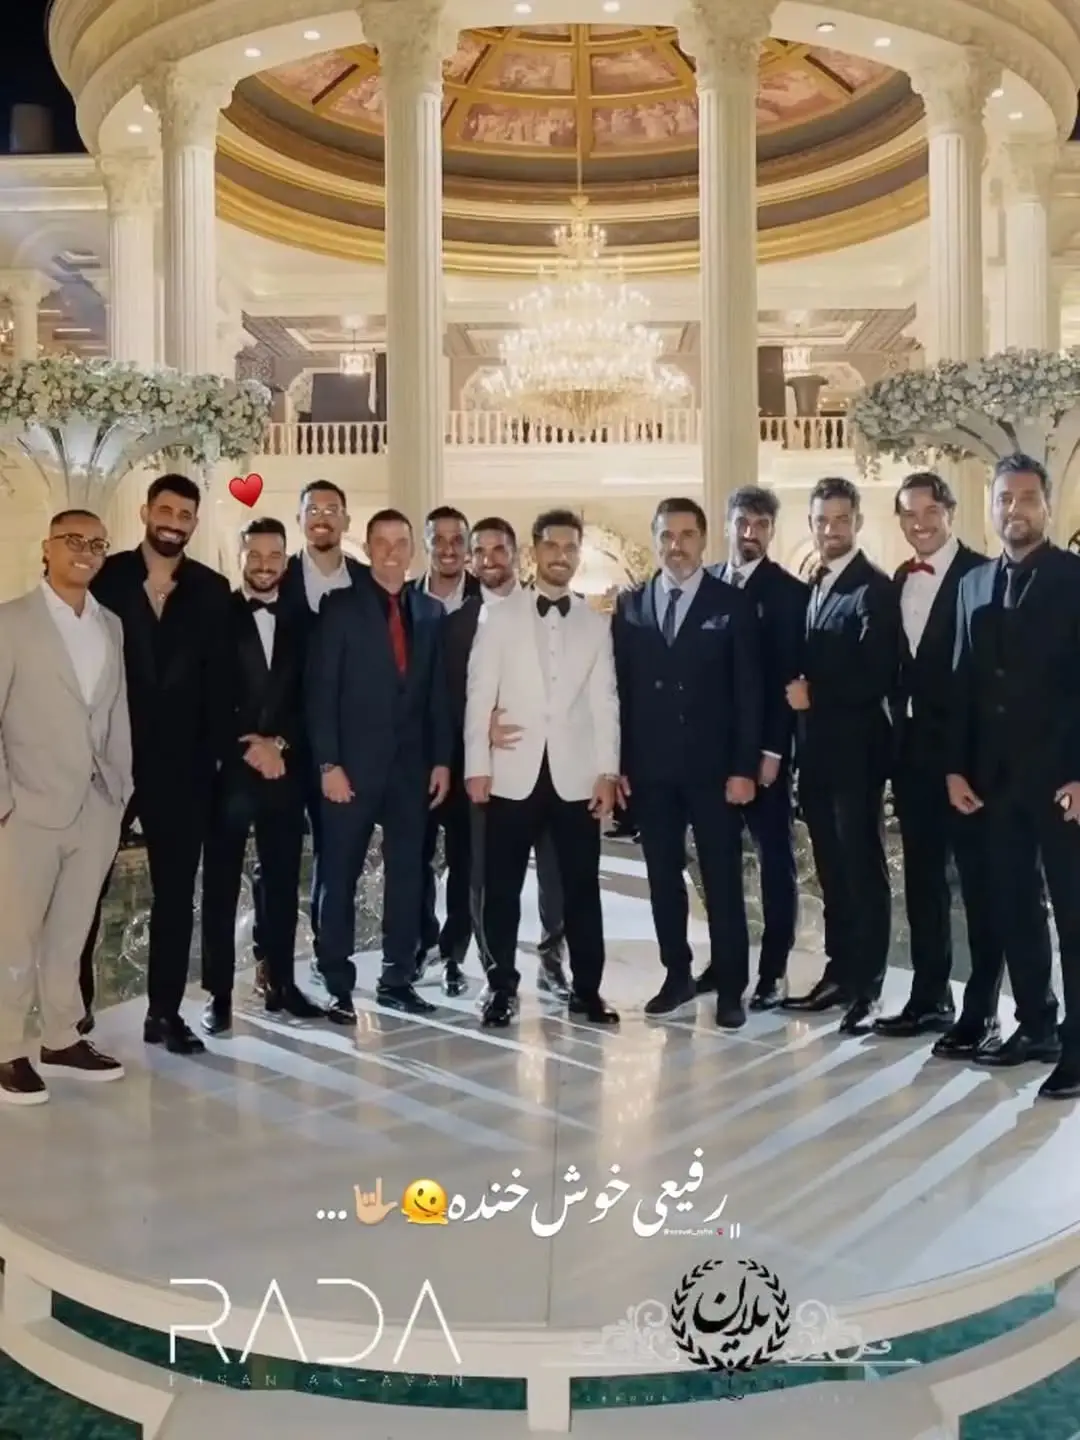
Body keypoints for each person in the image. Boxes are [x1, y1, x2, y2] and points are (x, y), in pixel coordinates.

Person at [83, 475, 232, 1055]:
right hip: (109, 760)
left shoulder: (213, 589)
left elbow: (220, 683)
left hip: (184, 766)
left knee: (175, 896)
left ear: (194, 522)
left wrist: (214, 758)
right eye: (165, 510)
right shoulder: (106, 576)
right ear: (146, 512)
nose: (173, 521)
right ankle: (74, 1008)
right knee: (87, 886)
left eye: (185, 514)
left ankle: (164, 1013)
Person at [947, 453, 1080, 1099]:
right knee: (1014, 906)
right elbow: (961, 685)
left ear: (1046, 505)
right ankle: (1036, 1025)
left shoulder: (1074, 578)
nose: (1014, 509)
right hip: (994, 782)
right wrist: (956, 767)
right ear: (991, 506)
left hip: (1062, 781)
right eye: (1004, 498)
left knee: (1074, 915)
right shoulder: (972, 584)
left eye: (1026, 498)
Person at [465, 508, 620, 1028]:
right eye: (552, 546)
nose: (561, 556)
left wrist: (607, 771)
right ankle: (500, 987)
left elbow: (605, 702)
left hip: (576, 777)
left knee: (581, 889)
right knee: (502, 889)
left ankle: (587, 991)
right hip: (512, 773)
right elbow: (478, 695)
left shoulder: (595, 623)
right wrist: (476, 764)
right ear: (534, 552)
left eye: (571, 548)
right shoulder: (498, 616)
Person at [0, 510, 131, 1104]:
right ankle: (7, 1047)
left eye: (97, 543)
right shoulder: (11, 622)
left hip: (96, 806)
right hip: (26, 807)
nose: (86, 551)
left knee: (71, 933)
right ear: (46, 548)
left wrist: (121, 787)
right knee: (13, 936)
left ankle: (60, 1037)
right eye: (73, 540)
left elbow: (115, 710)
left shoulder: (111, 625)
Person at [614, 498, 761, 1027]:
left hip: (715, 770)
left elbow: (749, 692)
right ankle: (676, 974)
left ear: (703, 540)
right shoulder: (630, 605)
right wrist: (619, 764)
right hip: (651, 771)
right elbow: (620, 692)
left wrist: (744, 767)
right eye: (666, 536)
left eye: (686, 535)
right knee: (662, 878)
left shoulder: (732, 604)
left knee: (722, 879)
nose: (676, 546)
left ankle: (731, 987)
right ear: (655, 540)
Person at [307, 508, 452, 1021]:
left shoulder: (430, 612)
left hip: (411, 772)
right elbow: (321, 691)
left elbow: (437, 695)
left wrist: (441, 761)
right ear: (368, 549)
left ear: (413, 549)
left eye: (401, 542)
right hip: (350, 770)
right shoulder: (339, 607)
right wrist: (328, 764)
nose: (392, 552)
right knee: (338, 877)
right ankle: (336, 983)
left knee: (408, 877)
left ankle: (397, 978)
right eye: (382, 543)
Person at [875, 472, 1003, 1049]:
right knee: (923, 883)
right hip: (913, 759)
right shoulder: (900, 579)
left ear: (949, 512)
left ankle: (983, 1011)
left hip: (969, 761)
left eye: (930, 511)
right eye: (909, 513)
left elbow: (988, 681)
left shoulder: (984, 574)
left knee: (978, 886)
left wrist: (967, 762)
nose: (920, 523)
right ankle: (929, 998)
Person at [200, 518, 327, 1035]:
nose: (265, 565)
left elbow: (312, 698)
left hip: (285, 770)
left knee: (282, 884)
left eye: (274, 555)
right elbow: (204, 696)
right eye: (255, 554)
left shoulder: (305, 621)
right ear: (241, 557)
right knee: (220, 885)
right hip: (229, 772)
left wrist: (280, 745)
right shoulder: (215, 616)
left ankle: (282, 983)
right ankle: (218, 994)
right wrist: (248, 747)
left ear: (286, 559)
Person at [784, 476, 899, 1033]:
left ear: (857, 522)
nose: (830, 529)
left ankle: (869, 987)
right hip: (817, 757)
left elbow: (878, 674)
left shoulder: (874, 588)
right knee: (831, 870)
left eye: (840, 519)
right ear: (811, 525)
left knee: (862, 870)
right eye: (822, 520)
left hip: (857, 756)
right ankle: (840, 971)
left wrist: (816, 695)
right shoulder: (817, 583)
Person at [453, 518, 570, 1000]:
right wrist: (481, 734)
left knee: (556, 877)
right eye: (480, 552)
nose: (489, 559)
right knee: (488, 879)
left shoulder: (554, 610)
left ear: (516, 554)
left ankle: (552, 962)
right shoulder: (458, 622)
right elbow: (449, 697)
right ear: (470, 559)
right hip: (491, 772)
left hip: (554, 769)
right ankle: (494, 972)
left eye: (498, 549)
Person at [709, 485, 808, 1009]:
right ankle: (724, 961)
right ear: (728, 524)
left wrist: (772, 752)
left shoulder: (790, 594)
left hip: (766, 756)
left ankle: (773, 971)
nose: (751, 533)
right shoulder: (705, 584)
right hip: (711, 756)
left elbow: (789, 678)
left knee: (775, 864)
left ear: (772, 530)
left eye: (761, 525)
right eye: (743, 522)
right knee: (717, 863)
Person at [274, 480, 368, 988]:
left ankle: (330, 964)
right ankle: (272, 962)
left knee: (336, 860)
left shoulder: (368, 584)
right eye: (313, 509)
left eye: (333, 509)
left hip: (344, 751)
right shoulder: (277, 577)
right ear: (301, 519)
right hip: (285, 746)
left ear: (346, 521)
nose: (323, 517)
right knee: (278, 859)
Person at [416, 506, 482, 983]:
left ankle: (455, 952)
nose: (448, 549)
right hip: (416, 753)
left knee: (467, 860)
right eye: (438, 540)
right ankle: (421, 942)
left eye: (457, 540)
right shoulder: (403, 599)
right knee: (414, 857)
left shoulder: (490, 601)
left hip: (471, 751)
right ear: (426, 545)